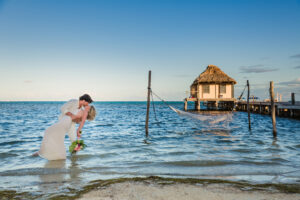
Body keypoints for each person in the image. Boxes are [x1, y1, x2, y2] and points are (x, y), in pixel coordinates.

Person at [33, 94, 96, 160]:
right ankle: (42, 153)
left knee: (73, 141)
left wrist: (78, 128)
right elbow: (63, 108)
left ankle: (74, 158)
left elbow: (79, 122)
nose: (87, 104)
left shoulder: (81, 108)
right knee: (56, 137)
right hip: (65, 121)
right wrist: (71, 115)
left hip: (71, 124)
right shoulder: (73, 102)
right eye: (87, 102)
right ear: (83, 100)